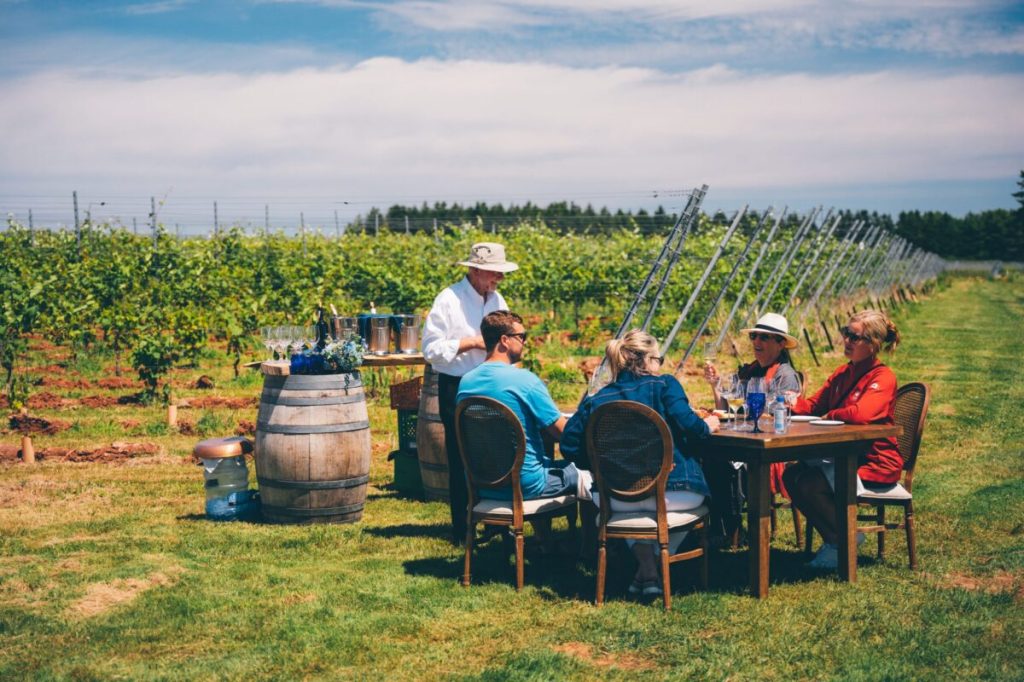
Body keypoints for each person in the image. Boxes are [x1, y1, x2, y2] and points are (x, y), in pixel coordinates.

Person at [560, 330, 720, 597]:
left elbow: (568, 446)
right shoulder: (665, 385)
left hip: (615, 497)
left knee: (631, 512)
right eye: (659, 358)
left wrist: (603, 463)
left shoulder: (596, 399)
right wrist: (707, 425)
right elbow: (690, 427)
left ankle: (646, 569)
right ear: (647, 359)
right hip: (674, 492)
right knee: (698, 498)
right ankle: (653, 566)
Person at [782, 309, 901, 569]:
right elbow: (814, 405)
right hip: (843, 455)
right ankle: (841, 538)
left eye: (854, 337)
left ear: (873, 345)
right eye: (846, 333)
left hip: (874, 461)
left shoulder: (883, 377)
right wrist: (791, 403)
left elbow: (862, 414)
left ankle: (840, 543)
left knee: (811, 483)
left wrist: (830, 415)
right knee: (790, 476)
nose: (846, 340)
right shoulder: (842, 373)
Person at [422, 242, 517, 545]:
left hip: (493, 384)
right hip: (459, 386)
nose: (498, 280)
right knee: (462, 457)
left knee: (495, 455)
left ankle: (496, 523)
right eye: (494, 273)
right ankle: (462, 528)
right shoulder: (448, 300)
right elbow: (431, 350)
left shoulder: (497, 298)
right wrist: (471, 343)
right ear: (475, 270)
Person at [456, 311, 586, 503]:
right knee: (589, 471)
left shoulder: (466, 382)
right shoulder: (525, 380)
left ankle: (544, 534)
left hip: (483, 484)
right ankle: (592, 534)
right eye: (521, 337)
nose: (525, 342)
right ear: (505, 340)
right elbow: (563, 433)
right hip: (525, 484)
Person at [702, 312, 802, 544]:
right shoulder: (750, 371)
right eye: (754, 336)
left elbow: (776, 419)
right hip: (746, 439)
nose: (757, 342)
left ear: (781, 344)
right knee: (707, 456)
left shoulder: (785, 376)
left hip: (771, 449)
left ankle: (729, 528)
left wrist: (741, 413)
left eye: (764, 337)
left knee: (724, 462)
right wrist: (716, 385)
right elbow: (727, 406)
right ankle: (722, 525)